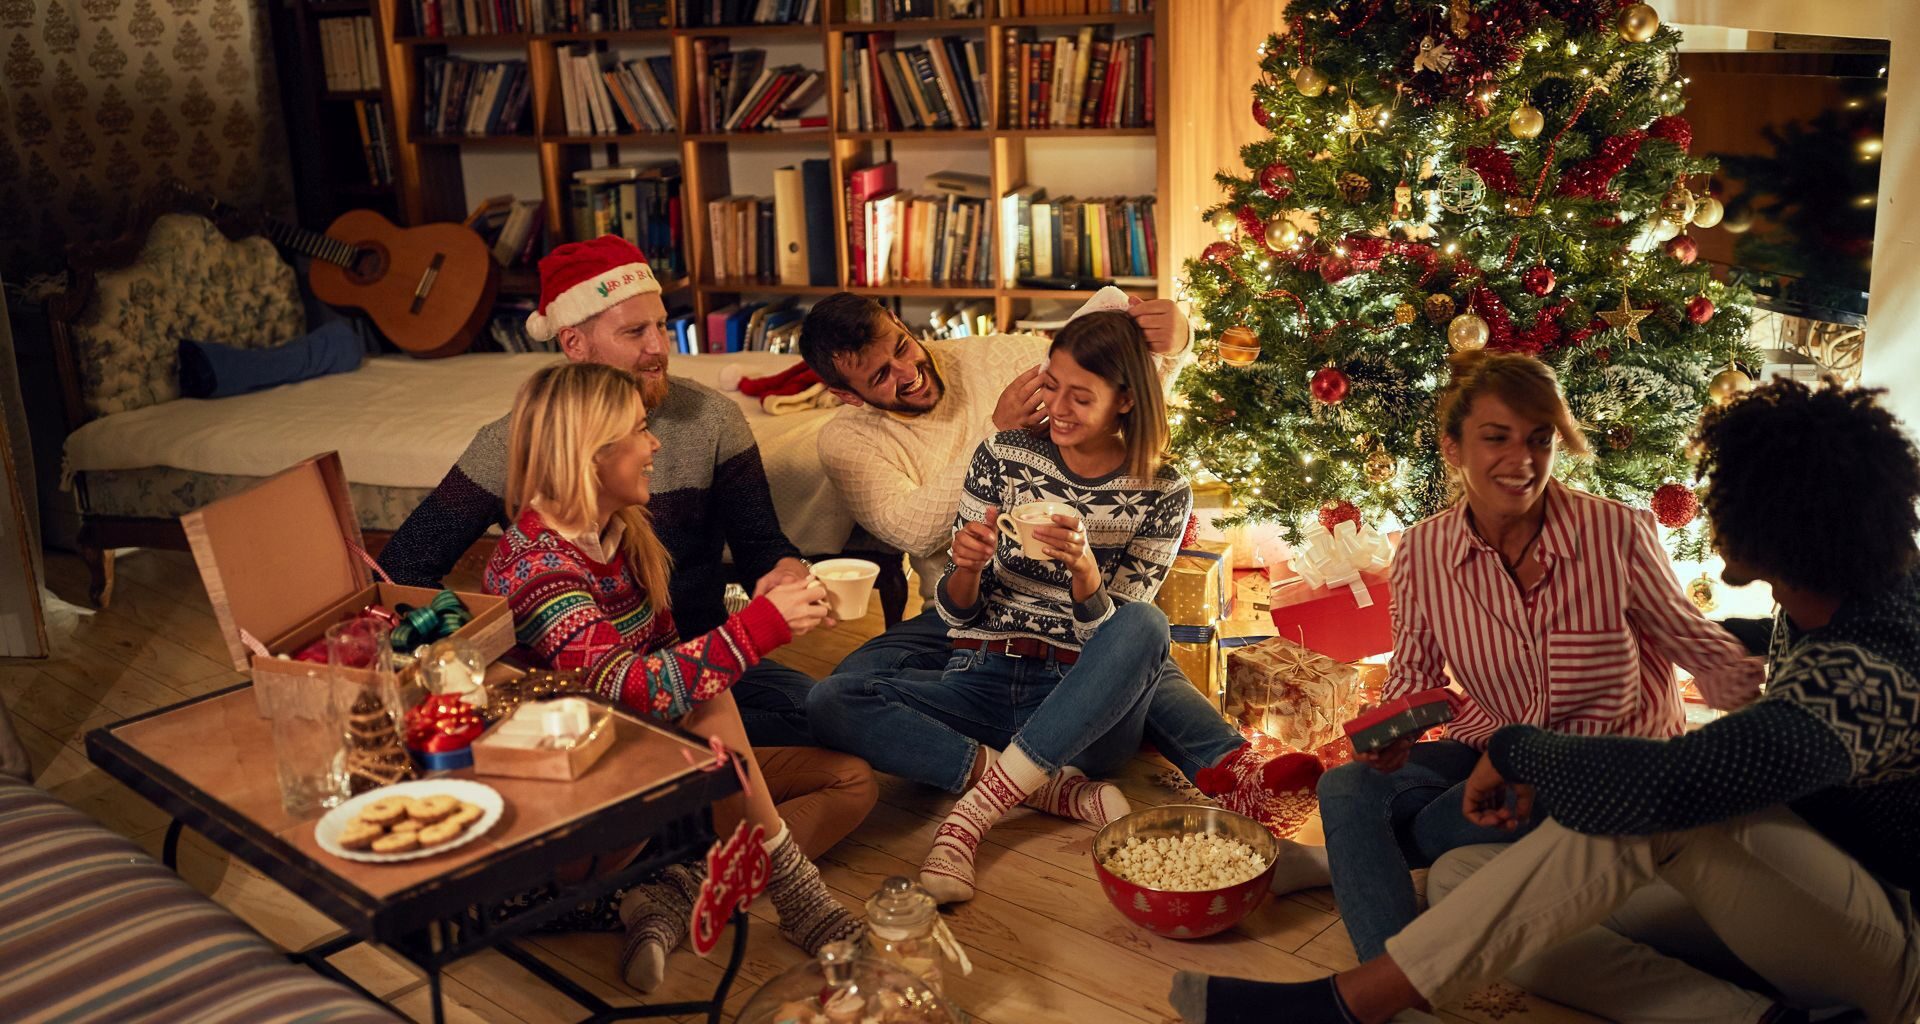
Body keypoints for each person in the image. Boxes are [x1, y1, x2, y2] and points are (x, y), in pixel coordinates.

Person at [1170, 377, 1920, 1024]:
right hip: (1787, 893)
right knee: (1467, 888)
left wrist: (1515, 747)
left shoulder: (1869, 671)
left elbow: (1672, 780)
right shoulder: (1833, 590)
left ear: (1777, 534)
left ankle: (1349, 1004)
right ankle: (1755, 1018)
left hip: (1887, 942)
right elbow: (1421, 676)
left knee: (1661, 806)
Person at [1261, 350, 1764, 966]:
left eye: (1539, 439)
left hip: (1606, 771)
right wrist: (1393, 730)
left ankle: (1350, 871)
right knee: (1347, 787)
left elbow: (1692, 637)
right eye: (1496, 438)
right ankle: (1394, 988)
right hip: (1487, 748)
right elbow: (1416, 674)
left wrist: (1742, 681)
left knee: (1438, 832)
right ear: (1454, 448)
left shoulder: (1619, 534)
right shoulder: (1423, 552)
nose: (1522, 460)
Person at [800, 292, 1324, 839]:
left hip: (1077, 638)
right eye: (882, 375)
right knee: (839, 691)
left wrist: (1182, 336)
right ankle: (1041, 780)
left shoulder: (992, 361)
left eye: (904, 347)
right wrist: (995, 436)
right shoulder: (850, 440)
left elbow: (1105, 346)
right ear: (846, 394)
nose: (908, 371)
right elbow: (911, 531)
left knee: (1137, 634)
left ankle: (1229, 768)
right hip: (968, 619)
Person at [483, 362, 866, 990]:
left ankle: (674, 892)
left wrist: (776, 615)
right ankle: (793, 894)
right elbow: (633, 687)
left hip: (651, 770)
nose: (655, 442)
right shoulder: (536, 565)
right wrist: (762, 628)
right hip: (571, 802)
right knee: (703, 700)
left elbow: (669, 661)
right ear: (593, 453)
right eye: (638, 430)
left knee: (851, 782)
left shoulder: (625, 533)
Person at [381, 235, 820, 748]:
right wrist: (485, 662)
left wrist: (786, 576)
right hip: (605, 694)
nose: (659, 347)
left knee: (827, 712)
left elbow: (760, 545)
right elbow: (403, 567)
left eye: (660, 324)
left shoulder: (712, 417)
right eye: (635, 331)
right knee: (825, 733)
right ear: (574, 344)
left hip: (712, 655)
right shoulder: (511, 443)